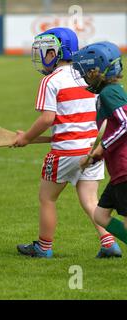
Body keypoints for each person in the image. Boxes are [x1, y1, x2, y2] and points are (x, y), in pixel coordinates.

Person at [13, 28, 121, 258]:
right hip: (92, 150)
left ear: (55, 52)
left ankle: (43, 247)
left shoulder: (50, 81)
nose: (43, 57)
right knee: (90, 200)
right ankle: (109, 243)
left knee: (47, 197)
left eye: (45, 52)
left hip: (65, 153)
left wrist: (25, 138)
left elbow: (47, 119)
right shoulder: (89, 76)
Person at [74, 41, 127, 247]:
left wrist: (102, 148)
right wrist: (96, 156)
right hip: (117, 173)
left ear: (98, 71)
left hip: (124, 169)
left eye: (87, 71)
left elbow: (125, 123)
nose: (85, 76)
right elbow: (114, 130)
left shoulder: (109, 93)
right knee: (100, 215)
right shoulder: (108, 93)